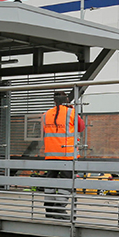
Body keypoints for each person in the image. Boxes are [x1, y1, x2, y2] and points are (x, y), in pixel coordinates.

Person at [40, 90, 84, 219]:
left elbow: (45, 131)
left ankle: (49, 210)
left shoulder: (45, 115)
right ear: (67, 100)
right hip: (66, 154)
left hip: (50, 155)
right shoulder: (71, 112)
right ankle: (59, 210)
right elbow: (81, 127)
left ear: (54, 101)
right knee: (66, 183)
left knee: (50, 183)